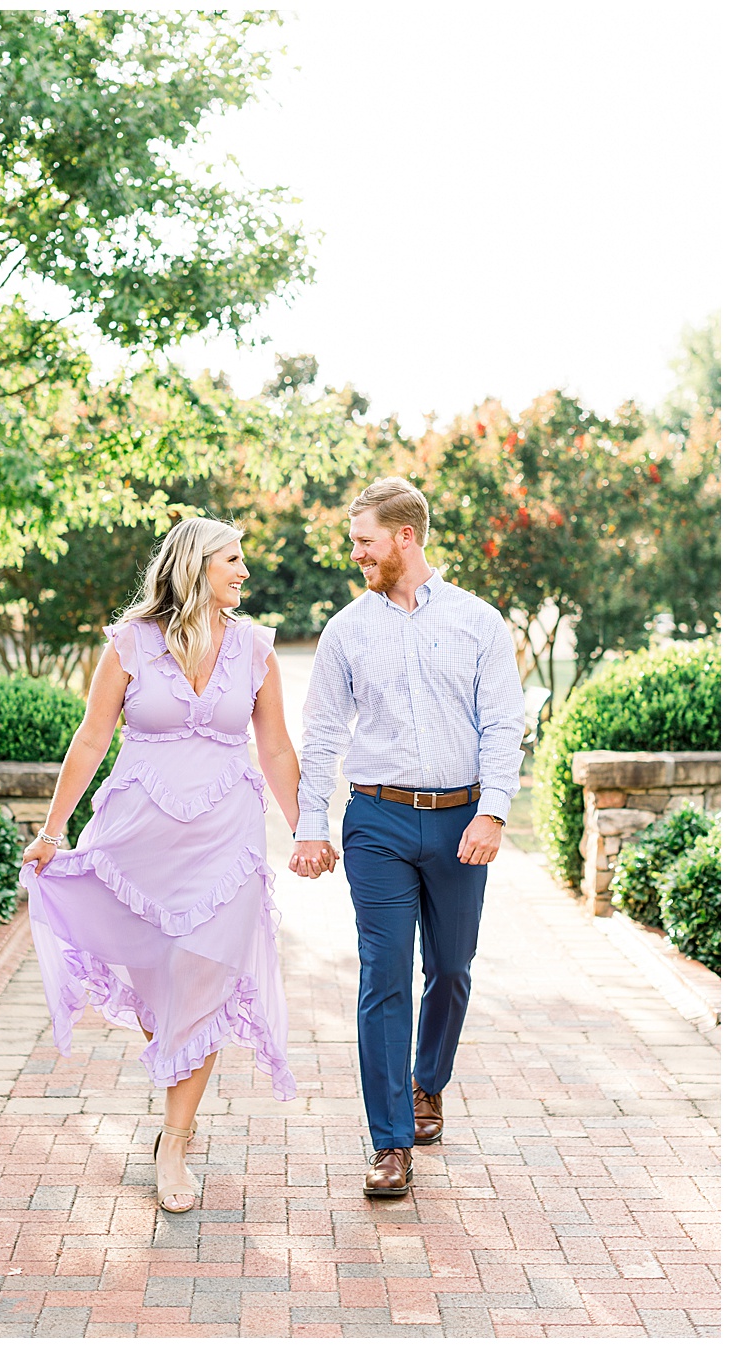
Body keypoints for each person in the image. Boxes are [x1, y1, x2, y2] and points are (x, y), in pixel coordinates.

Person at [21, 516, 306, 1216]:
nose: (244, 572)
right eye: (232, 560)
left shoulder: (256, 648)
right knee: (160, 981)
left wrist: (309, 830)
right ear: (196, 566)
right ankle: (179, 1085)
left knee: (205, 980)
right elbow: (92, 738)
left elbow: (275, 748)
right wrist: (53, 831)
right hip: (137, 843)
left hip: (227, 845)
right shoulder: (129, 644)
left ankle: (174, 1140)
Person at [289, 477, 523, 1199]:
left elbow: (503, 724)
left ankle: (429, 1083)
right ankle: (389, 1141)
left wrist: (493, 811)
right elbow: (323, 735)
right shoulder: (345, 630)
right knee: (383, 972)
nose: (356, 554)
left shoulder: (478, 622)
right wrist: (309, 825)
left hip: (460, 820)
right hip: (377, 821)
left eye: (365, 542)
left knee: (450, 968)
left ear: (405, 537)